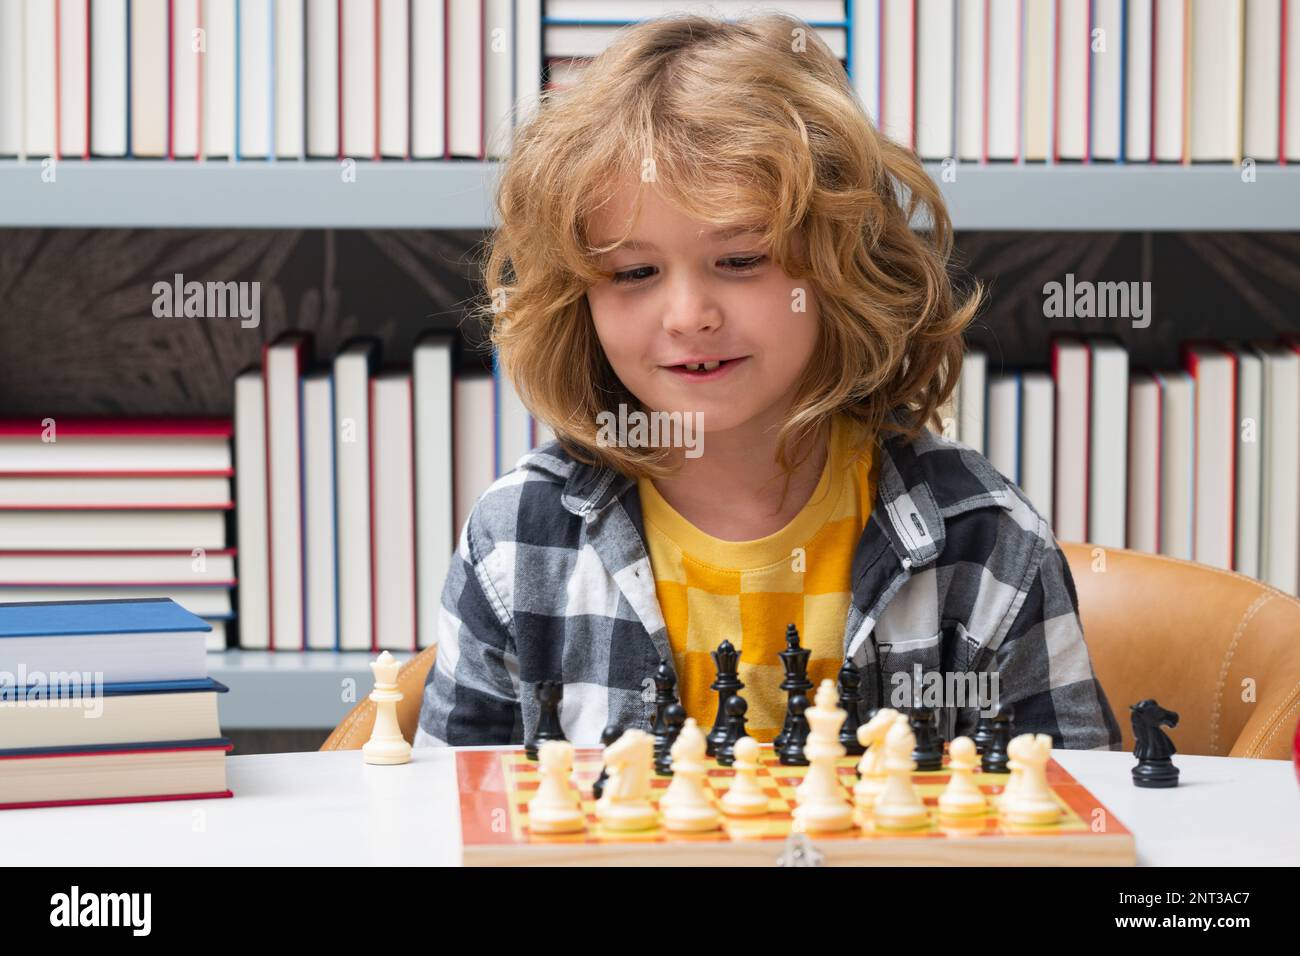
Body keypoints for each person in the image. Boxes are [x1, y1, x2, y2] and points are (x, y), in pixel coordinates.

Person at [415, 13, 1121, 752]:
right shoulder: (517, 541)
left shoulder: (984, 540)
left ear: (843, 265)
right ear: (577, 296)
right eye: (634, 272)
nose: (689, 316)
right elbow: (449, 825)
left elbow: (1069, 812)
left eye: (742, 259)